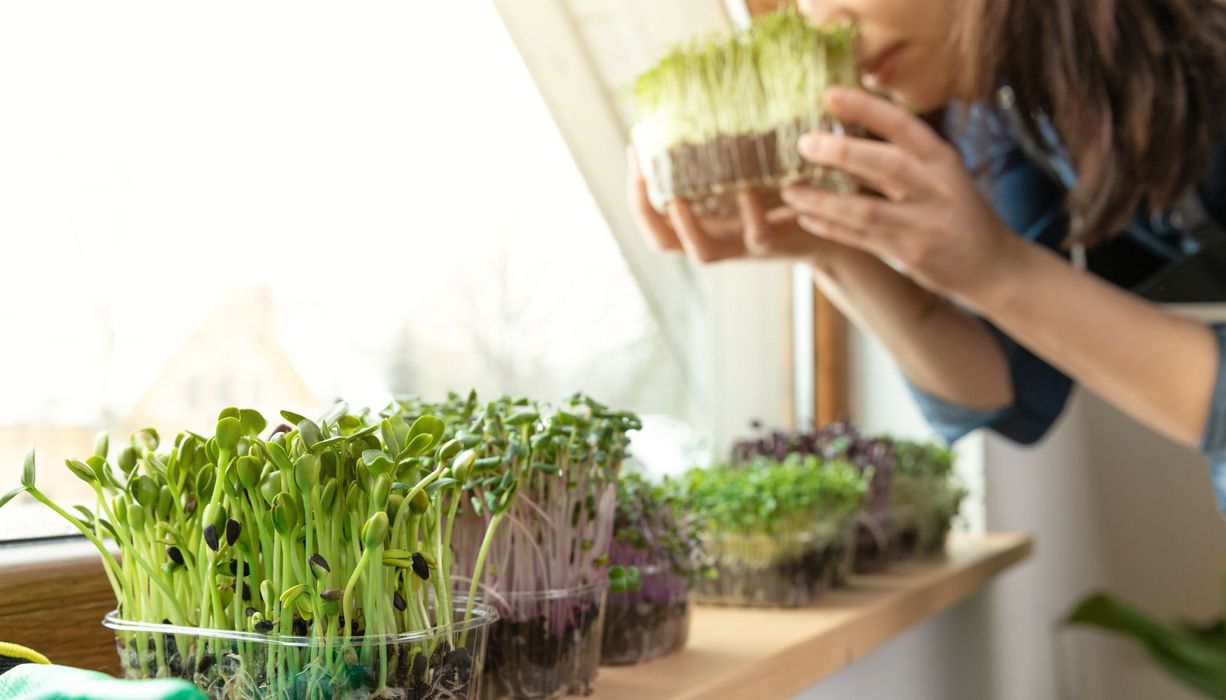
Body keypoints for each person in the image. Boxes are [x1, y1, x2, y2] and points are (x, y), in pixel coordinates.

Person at [628, 0, 1226, 512]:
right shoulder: (1000, 106)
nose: (824, 24)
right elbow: (1005, 382)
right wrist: (831, 249)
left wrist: (999, 274)